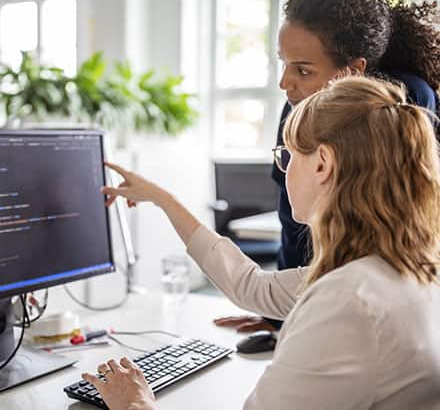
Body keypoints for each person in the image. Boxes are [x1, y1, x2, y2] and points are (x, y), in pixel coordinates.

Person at [83, 75, 440, 409]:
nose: (284, 171)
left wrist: (137, 404)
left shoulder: (347, 302)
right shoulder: (403, 267)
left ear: (322, 165)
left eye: (288, 157)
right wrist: (164, 200)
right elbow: (253, 286)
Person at [214, 0, 440, 334]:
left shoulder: (406, 103)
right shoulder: (297, 107)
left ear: (354, 70)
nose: (285, 82)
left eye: (303, 69)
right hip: (329, 302)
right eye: (283, 63)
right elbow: (294, 226)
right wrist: (280, 316)